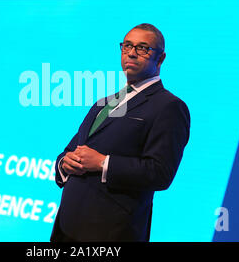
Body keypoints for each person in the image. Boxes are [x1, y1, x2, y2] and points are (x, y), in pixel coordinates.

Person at [50, 23, 190, 242]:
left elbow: (160, 173)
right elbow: (71, 150)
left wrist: (103, 163)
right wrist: (64, 164)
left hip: (111, 234)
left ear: (160, 59)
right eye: (127, 46)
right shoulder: (103, 103)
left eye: (142, 48)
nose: (131, 53)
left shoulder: (168, 107)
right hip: (66, 229)